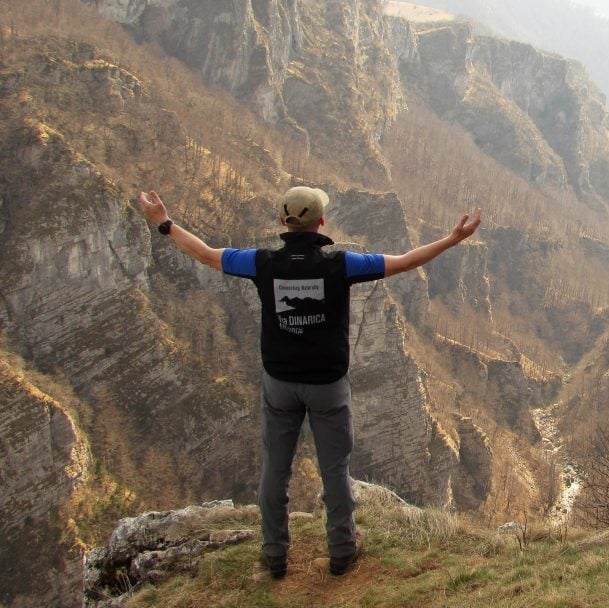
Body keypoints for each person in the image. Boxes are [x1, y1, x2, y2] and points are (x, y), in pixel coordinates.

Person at [138, 186, 482, 579]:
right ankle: (341, 552)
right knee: (334, 470)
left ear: (283, 222)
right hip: (327, 385)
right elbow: (404, 262)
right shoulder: (341, 266)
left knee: (275, 469)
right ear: (321, 222)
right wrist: (454, 239)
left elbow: (205, 254)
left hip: (280, 383)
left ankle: (274, 555)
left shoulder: (261, 263)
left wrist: (164, 223)